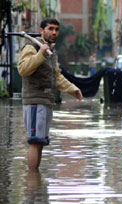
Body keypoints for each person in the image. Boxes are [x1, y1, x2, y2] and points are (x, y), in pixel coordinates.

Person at [18, 18, 83, 171]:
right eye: (51, 29)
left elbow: (57, 76)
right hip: (34, 100)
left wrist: (72, 89)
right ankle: (32, 182)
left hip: (47, 101)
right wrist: (40, 54)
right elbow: (22, 69)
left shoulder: (50, 51)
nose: (54, 32)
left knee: (40, 142)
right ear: (42, 30)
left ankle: (36, 181)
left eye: (56, 29)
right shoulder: (32, 46)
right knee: (35, 142)